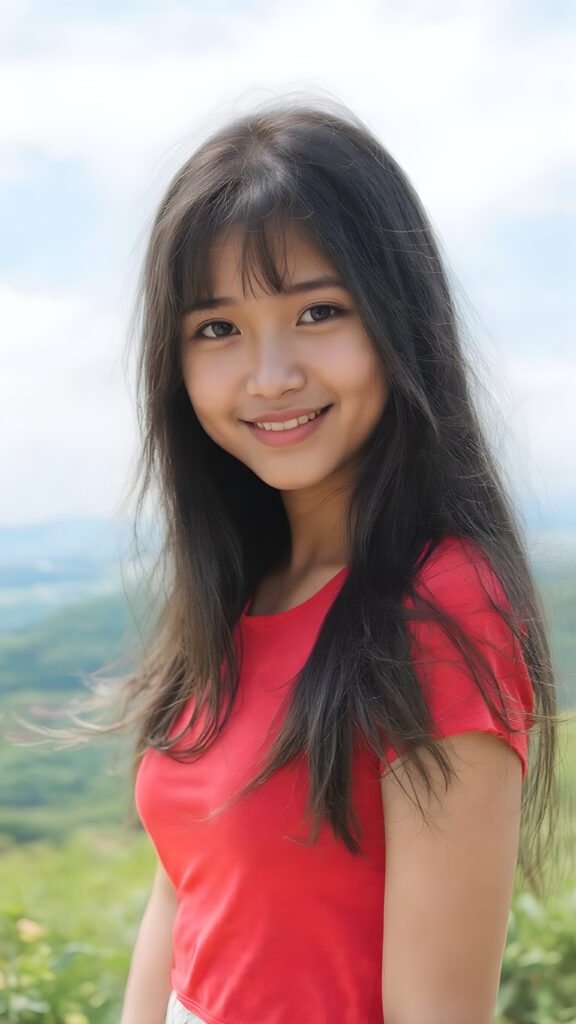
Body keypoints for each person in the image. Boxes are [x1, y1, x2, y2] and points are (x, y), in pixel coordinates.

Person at [87, 100, 562, 1022]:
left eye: (318, 311)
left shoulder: (440, 607)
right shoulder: (240, 591)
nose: (270, 375)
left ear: (400, 323)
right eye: (217, 329)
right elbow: (185, 893)